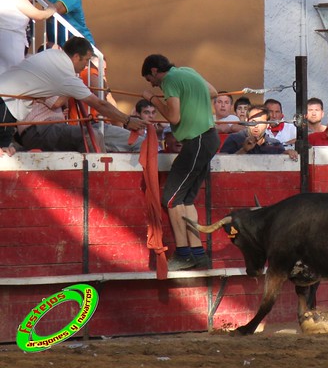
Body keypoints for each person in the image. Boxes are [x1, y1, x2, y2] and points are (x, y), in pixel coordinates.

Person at [141, 53, 220, 271]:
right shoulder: (188, 72)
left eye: (150, 79)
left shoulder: (169, 81)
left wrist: (153, 99)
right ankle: (198, 253)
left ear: (155, 71)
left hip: (197, 140)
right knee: (186, 199)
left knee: (171, 198)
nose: (154, 85)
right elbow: (212, 92)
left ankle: (184, 254)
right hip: (208, 138)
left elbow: (174, 118)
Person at [0, 37, 146, 149]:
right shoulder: (66, 74)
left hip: (8, 101)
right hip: (8, 104)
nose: (85, 67)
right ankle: (96, 178)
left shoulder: (51, 55)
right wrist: (128, 120)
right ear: (76, 57)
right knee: (92, 135)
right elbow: (100, 104)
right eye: (86, 60)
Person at [0, 0, 56, 75]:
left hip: (6, 40)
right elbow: (38, 15)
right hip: (11, 42)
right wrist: (51, 9)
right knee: (11, 76)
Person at [17, 95, 105, 152]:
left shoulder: (50, 79)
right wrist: (71, 86)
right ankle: (95, 175)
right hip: (37, 129)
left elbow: (59, 103)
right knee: (90, 135)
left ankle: (100, 173)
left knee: (97, 134)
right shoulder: (41, 77)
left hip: (48, 128)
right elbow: (56, 103)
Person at [220, 105, 298, 161]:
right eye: (253, 122)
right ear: (247, 121)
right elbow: (221, 164)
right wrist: (244, 150)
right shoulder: (234, 139)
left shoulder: (275, 144)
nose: (256, 126)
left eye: (261, 122)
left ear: (267, 125)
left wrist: (288, 154)